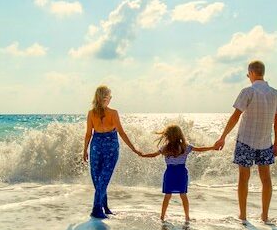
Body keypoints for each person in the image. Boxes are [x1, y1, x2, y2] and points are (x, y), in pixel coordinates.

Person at [213, 60, 277, 223]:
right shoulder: (275, 93)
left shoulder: (248, 91)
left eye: (248, 74)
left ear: (251, 73)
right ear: (263, 73)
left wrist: (223, 136)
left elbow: (235, 116)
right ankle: (264, 216)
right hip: (266, 142)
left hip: (245, 141)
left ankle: (243, 215)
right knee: (266, 180)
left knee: (243, 179)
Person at [82, 85, 140, 218]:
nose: (111, 98)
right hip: (109, 146)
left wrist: (85, 149)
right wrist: (134, 148)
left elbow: (88, 134)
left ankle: (104, 207)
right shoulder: (112, 113)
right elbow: (121, 133)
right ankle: (97, 209)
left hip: (96, 146)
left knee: (100, 179)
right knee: (101, 179)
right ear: (105, 98)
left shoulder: (92, 113)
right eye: (109, 96)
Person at [140, 124, 217, 222]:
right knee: (183, 195)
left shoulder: (165, 148)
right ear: (180, 135)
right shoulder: (185, 147)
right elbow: (200, 149)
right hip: (181, 173)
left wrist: (142, 155)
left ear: (167, 136)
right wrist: (212, 147)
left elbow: (153, 155)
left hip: (170, 173)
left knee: (167, 196)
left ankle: (162, 217)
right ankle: (187, 217)